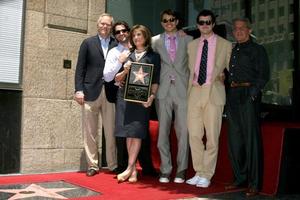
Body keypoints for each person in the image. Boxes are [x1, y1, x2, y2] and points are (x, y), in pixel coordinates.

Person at [104, 21, 158, 176]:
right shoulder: (128, 54)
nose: (136, 37)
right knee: (128, 132)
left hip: (142, 100)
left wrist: (152, 96)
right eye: (134, 35)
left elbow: (155, 81)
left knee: (137, 132)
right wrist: (124, 70)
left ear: (145, 37)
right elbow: (117, 78)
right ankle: (132, 168)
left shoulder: (154, 57)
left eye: (139, 34)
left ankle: (130, 167)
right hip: (125, 98)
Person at [185, 9, 232, 188]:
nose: (205, 25)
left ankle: (207, 174)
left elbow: (231, 69)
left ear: (213, 24)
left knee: (212, 137)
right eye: (201, 22)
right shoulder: (191, 45)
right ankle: (198, 171)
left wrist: (225, 77)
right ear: (197, 25)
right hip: (194, 92)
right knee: (195, 135)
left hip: (214, 92)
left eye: (208, 22)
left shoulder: (225, 44)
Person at [225, 18, 269, 197]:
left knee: (251, 141)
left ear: (249, 30)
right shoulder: (234, 49)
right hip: (233, 95)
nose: (239, 31)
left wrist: (252, 94)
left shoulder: (258, 49)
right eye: (235, 29)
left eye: (242, 28)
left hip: (248, 94)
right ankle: (240, 178)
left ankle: (254, 183)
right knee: (235, 140)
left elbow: (263, 75)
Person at [151, 9, 193, 183]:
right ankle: (165, 170)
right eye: (165, 20)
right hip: (163, 91)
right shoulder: (154, 41)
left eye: (172, 20)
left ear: (177, 22)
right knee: (163, 133)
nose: (169, 23)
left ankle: (181, 170)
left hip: (183, 91)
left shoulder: (189, 39)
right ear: (162, 23)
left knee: (183, 132)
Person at [74, 13, 118, 177]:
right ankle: (93, 165)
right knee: (90, 132)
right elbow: (80, 69)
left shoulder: (116, 43)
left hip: (110, 93)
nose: (105, 27)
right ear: (97, 25)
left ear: (111, 26)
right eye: (102, 24)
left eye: (108, 24)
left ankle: (113, 164)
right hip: (90, 92)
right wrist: (78, 90)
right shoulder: (87, 43)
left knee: (111, 131)